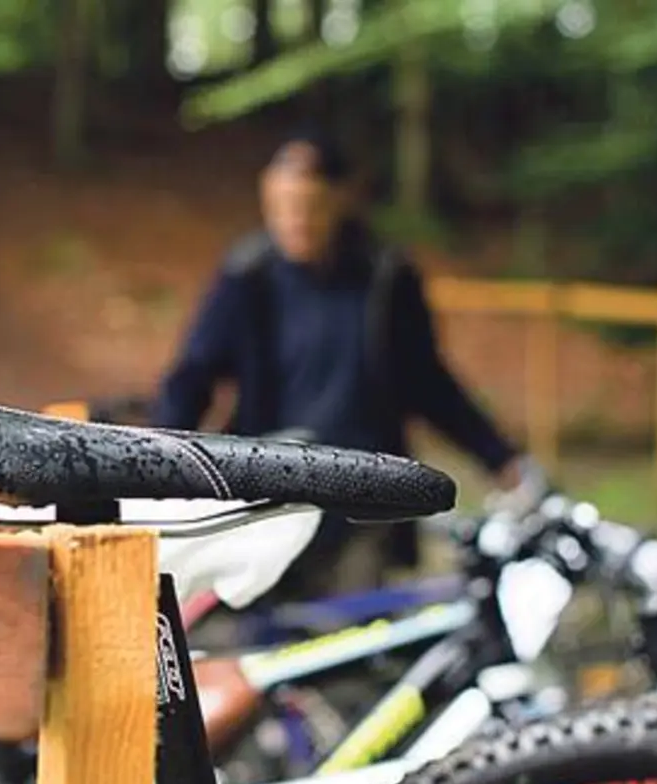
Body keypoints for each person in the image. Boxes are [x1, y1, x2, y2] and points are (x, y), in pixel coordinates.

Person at [150, 128, 533, 605]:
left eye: (309, 206)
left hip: (361, 504)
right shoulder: (249, 276)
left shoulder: (385, 279)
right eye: (282, 207)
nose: (296, 221)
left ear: (340, 200)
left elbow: (429, 383)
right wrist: (154, 471)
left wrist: (502, 459)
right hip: (266, 501)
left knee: (349, 648)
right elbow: (194, 377)